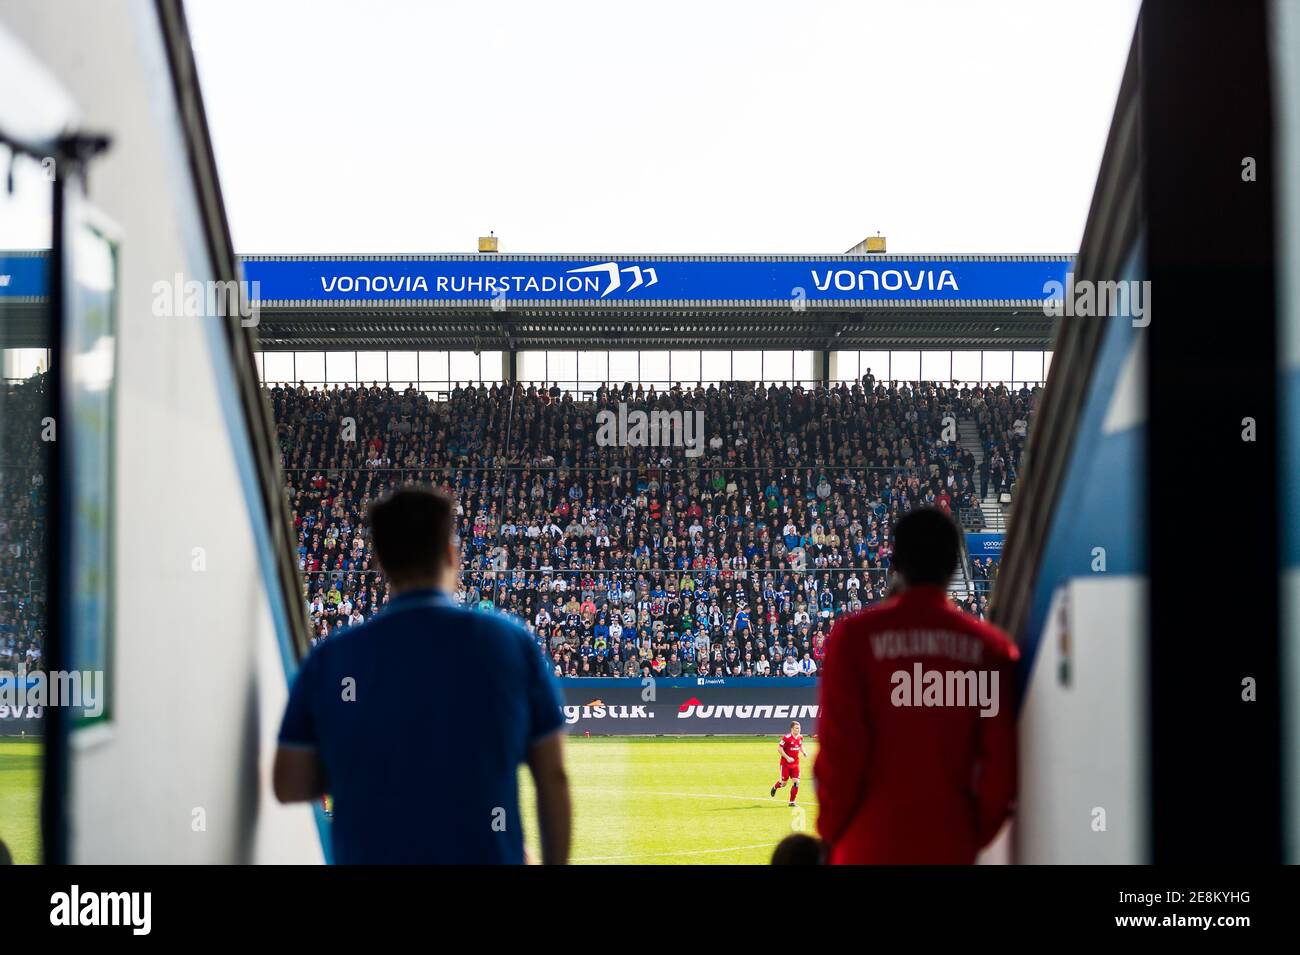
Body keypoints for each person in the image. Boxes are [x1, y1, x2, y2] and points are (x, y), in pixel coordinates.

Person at [273, 487, 571, 864]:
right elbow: (553, 776)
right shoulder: (510, 642)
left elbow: (288, 782)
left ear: (380, 560)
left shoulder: (332, 658)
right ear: (452, 555)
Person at [815, 507, 1018, 864]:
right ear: (955, 567)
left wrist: (833, 834)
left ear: (896, 563)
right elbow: (1001, 772)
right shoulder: (991, 650)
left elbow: (839, 758)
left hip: (865, 846)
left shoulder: (854, 639)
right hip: (950, 845)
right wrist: (968, 835)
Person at [770, 720, 809, 807]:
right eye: (796, 728)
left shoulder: (800, 737)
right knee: (783, 783)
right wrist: (787, 758)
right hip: (785, 764)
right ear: (792, 729)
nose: (798, 730)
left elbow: (800, 745)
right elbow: (779, 749)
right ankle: (775, 787)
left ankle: (792, 802)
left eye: (799, 728)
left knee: (796, 782)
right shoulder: (786, 738)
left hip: (795, 764)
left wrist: (804, 752)